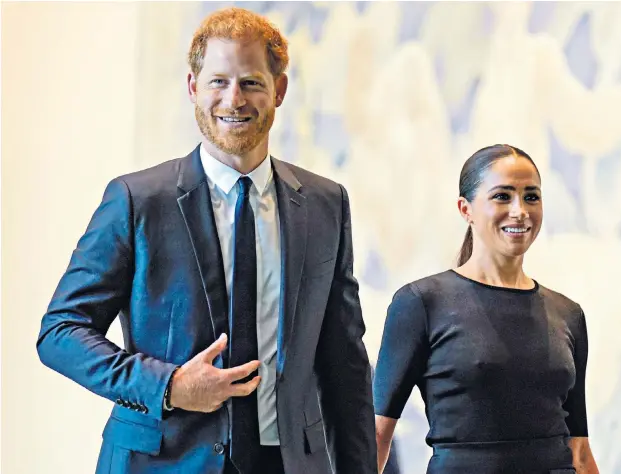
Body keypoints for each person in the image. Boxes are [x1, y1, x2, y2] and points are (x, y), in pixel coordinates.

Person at [36, 7, 376, 474]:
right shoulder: (137, 200)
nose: (233, 99)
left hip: (287, 464)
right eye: (218, 81)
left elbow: (346, 367)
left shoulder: (325, 204)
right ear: (193, 87)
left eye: (251, 82)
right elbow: (60, 332)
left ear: (278, 90)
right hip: (159, 462)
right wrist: (169, 385)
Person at [373, 144, 600, 473]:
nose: (520, 210)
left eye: (531, 197)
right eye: (503, 196)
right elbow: (378, 435)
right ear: (466, 209)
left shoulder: (568, 314)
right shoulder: (421, 303)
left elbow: (578, 449)